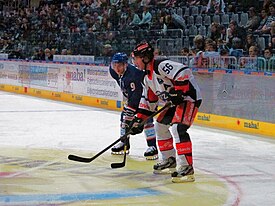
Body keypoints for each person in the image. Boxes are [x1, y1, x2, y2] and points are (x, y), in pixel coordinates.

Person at [130, 42, 202, 183]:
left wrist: (179, 91)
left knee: (178, 128)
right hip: (174, 102)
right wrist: (138, 121)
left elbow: (183, 72)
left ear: (144, 57)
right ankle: (169, 159)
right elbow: (148, 104)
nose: (134, 62)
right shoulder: (146, 78)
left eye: (136, 58)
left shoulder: (160, 65)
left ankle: (187, 167)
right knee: (160, 126)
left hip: (188, 98)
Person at [109, 52, 158, 160]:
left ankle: (152, 147)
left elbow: (136, 96)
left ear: (125, 64)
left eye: (119, 65)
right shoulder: (113, 71)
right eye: (114, 65)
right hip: (133, 96)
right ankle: (124, 143)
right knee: (124, 119)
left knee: (146, 120)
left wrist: (130, 111)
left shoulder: (133, 75)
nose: (116, 68)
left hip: (145, 96)